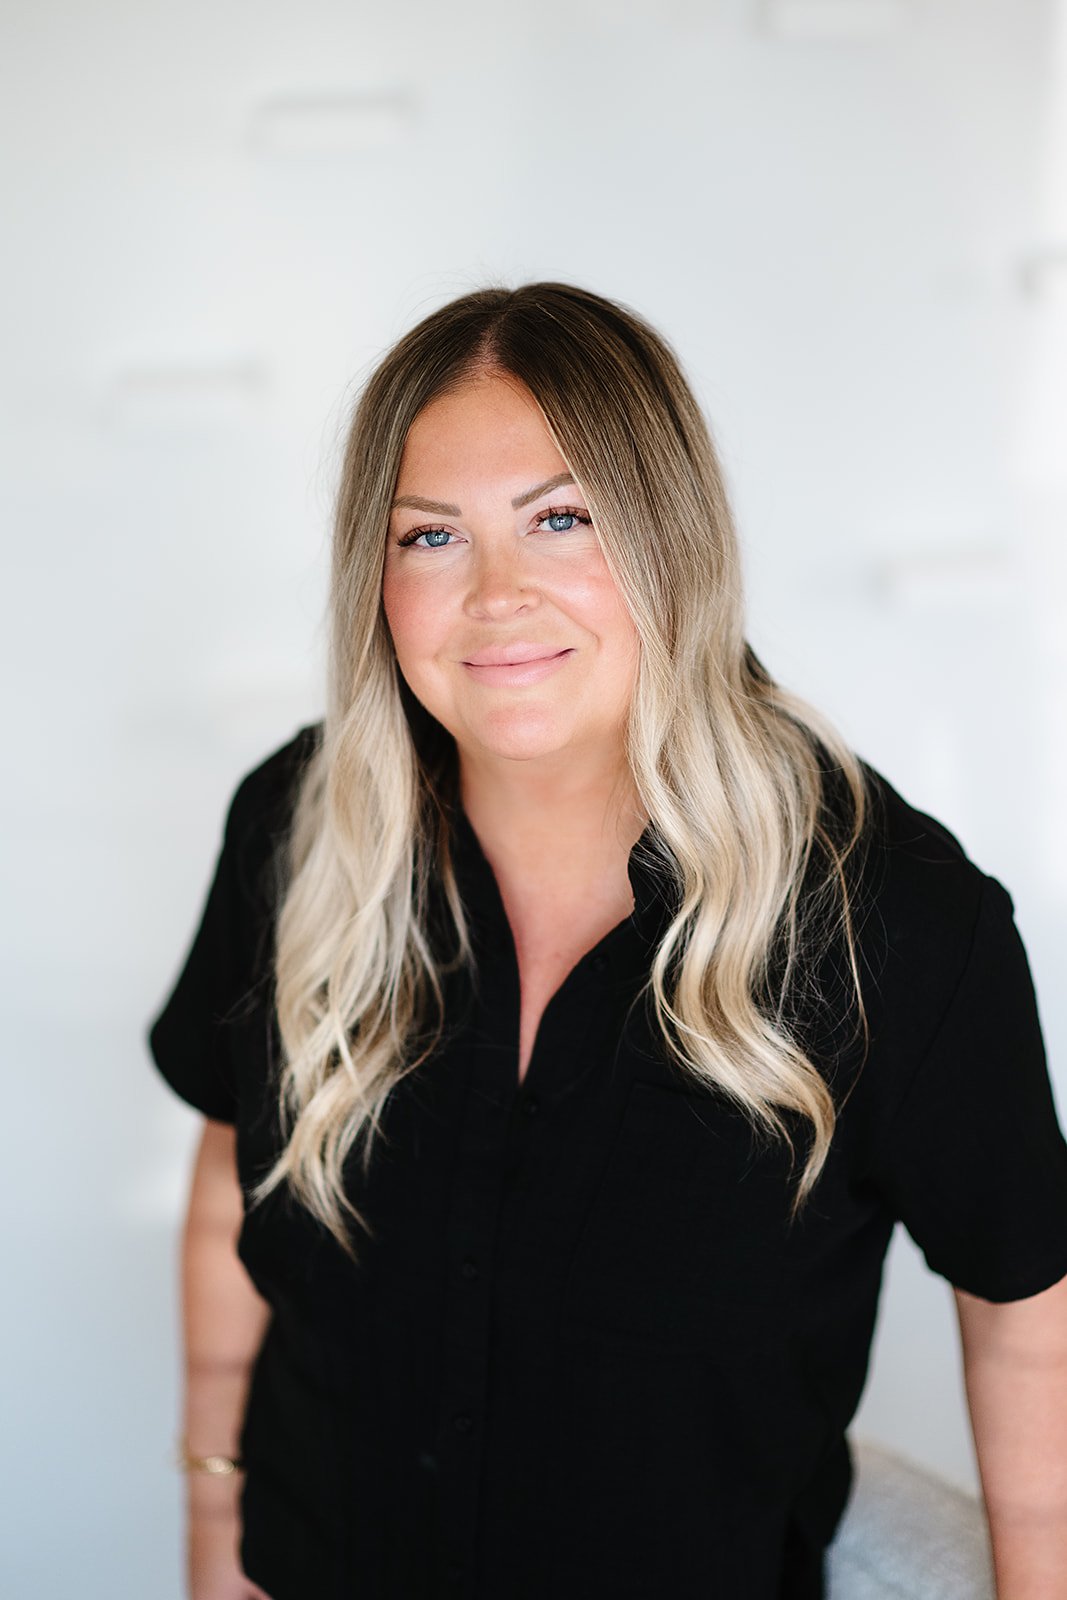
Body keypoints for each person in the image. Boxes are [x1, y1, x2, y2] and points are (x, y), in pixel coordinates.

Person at [148, 282, 1067, 1600]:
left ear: (668, 537)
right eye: (431, 537)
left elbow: (1026, 1308)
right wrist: (212, 1524)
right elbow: (226, 1176)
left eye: (561, 520)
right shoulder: (296, 827)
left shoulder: (893, 917)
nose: (497, 596)